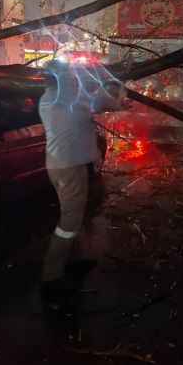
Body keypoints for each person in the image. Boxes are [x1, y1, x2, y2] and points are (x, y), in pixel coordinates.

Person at [38, 60, 124, 306]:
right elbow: (97, 103)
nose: (74, 78)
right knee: (68, 223)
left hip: (71, 166)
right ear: (62, 79)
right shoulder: (61, 100)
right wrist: (112, 90)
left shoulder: (57, 97)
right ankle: (52, 277)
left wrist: (111, 93)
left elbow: (98, 103)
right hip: (69, 169)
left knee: (75, 217)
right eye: (70, 75)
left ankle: (73, 262)